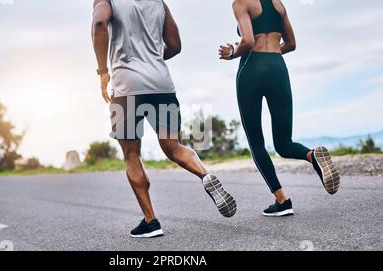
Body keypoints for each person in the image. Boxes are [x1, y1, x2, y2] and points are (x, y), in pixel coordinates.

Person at [92, 0, 236, 238]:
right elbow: (175, 46)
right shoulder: (159, 2)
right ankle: (205, 174)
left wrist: (103, 71)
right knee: (173, 146)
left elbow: (99, 24)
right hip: (161, 84)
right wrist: (151, 59)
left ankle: (151, 220)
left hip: (126, 88)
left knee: (131, 154)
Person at [219, 0, 340, 217]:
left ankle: (282, 200)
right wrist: (272, 54)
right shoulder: (278, 4)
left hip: (251, 70)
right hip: (277, 68)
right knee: (284, 143)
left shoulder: (240, 3)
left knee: (256, 142)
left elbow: (247, 42)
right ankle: (312, 156)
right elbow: (291, 44)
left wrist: (231, 54)